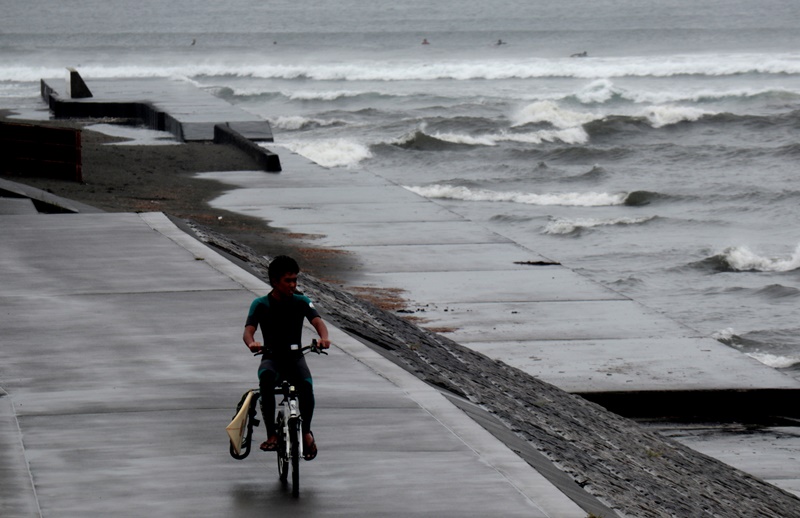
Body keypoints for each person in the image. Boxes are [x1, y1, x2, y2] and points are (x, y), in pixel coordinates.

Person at [243, 255, 331, 460]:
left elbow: (318, 322)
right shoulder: (260, 304)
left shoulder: (302, 302)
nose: (293, 285)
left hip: (295, 358)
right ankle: (272, 434)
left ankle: (307, 432)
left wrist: (324, 338)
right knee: (265, 377)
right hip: (271, 357)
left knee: (306, 386)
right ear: (275, 281)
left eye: (295, 280)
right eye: (288, 280)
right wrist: (252, 343)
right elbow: (248, 332)